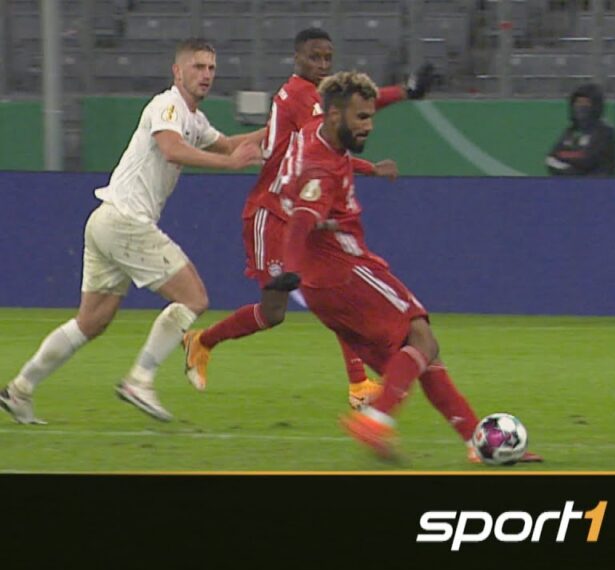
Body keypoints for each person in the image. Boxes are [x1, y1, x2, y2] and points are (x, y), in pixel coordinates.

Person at [271, 71, 540, 463]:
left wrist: (405, 92)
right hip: (342, 268)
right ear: (334, 117)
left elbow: (361, 106)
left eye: (369, 116)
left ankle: (477, 442)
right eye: (361, 118)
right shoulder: (319, 168)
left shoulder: (321, 127)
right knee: (422, 336)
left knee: (422, 355)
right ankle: (376, 418)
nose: (369, 124)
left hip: (321, 285)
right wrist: (288, 269)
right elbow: (300, 222)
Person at [0, 38, 264, 424]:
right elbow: (173, 150)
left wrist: (278, 129)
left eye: (211, 68)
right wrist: (232, 166)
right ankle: (139, 379)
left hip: (106, 221)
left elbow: (229, 145)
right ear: (177, 71)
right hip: (125, 221)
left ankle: (19, 390)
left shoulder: (194, 118)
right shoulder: (167, 105)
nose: (206, 74)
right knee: (194, 297)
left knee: (91, 322)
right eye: (198, 66)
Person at [182, 28, 437, 409]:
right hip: (273, 213)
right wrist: (404, 93)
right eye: (313, 58)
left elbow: (337, 135)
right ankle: (202, 340)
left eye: (326, 58)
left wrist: (406, 93)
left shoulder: (315, 98)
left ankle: (357, 384)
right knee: (279, 309)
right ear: (297, 59)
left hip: (299, 209)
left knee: (328, 291)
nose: (321, 65)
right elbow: (348, 117)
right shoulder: (301, 95)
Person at [545, 83, 615, 176]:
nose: (581, 106)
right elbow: (552, 158)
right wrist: (569, 169)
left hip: (597, 185)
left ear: (595, 105)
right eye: (578, 102)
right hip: (568, 185)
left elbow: (589, 160)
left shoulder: (605, 131)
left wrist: (566, 158)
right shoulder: (571, 131)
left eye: (586, 103)